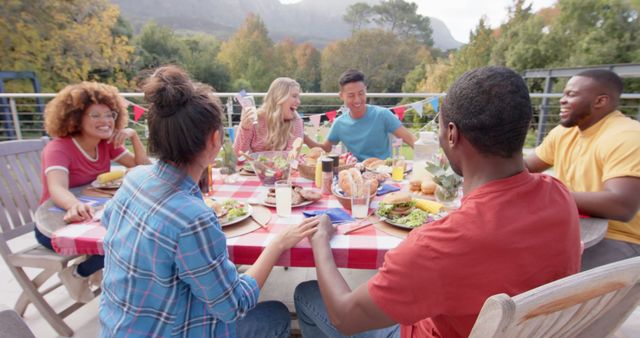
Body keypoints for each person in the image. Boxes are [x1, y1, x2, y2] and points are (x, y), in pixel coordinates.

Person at [294, 66, 582, 337]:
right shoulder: (560, 196)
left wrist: (321, 240)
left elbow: (344, 317)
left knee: (307, 294)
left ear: (453, 134)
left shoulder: (437, 245)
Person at [99, 66, 319, 337]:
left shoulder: (135, 178)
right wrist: (277, 245)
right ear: (215, 139)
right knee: (276, 314)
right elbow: (234, 305)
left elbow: (107, 219)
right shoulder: (193, 217)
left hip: (118, 328)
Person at [38, 81, 150, 303]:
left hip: (94, 215)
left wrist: (134, 137)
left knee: (140, 230)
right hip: (56, 223)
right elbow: (57, 187)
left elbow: (142, 169)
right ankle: (80, 273)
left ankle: (87, 272)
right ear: (75, 117)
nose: (105, 121)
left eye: (109, 115)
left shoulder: (105, 143)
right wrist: (73, 205)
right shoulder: (59, 147)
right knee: (127, 239)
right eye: (96, 115)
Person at [525, 69, 640, 271]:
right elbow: (524, 168)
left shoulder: (627, 136)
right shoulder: (564, 132)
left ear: (600, 101)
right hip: (574, 229)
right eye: (563, 94)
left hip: (620, 239)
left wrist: (548, 194)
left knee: (538, 274)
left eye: (571, 94)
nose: (562, 100)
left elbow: (621, 206)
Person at [305, 69, 416, 161]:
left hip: (384, 172)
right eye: (351, 95)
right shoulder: (339, 123)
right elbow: (325, 149)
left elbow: (411, 139)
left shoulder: (382, 115)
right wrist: (303, 137)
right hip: (355, 173)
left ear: (365, 91)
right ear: (341, 96)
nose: (357, 100)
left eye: (361, 93)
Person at [233, 77, 304, 154]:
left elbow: (292, 158)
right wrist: (245, 129)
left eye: (299, 97)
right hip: (254, 166)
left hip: (283, 166)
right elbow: (238, 156)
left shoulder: (296, 121)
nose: (298, 102)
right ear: (278, 97)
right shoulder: (253, 118)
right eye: (294, 96)